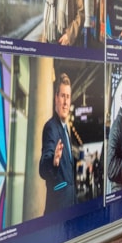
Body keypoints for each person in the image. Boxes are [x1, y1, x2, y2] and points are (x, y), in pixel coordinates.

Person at [38, 71, 77, 215]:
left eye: (68, 97)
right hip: (57, 213)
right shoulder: (51, 128)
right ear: (56, 98)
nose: (66, 102)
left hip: (69, 209)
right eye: (62, 96)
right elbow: (43, 167)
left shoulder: (65, 130)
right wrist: (53, 162)